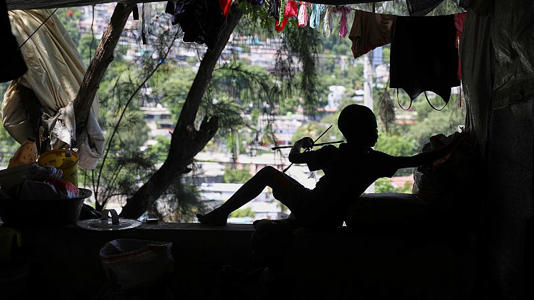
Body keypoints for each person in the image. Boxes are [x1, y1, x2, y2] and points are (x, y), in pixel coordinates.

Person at [197, 104, 462, 228]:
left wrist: (300, 143)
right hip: (331, 220)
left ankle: (222, 214)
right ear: (362, 132)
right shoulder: (375, 161)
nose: (377, 132)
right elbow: (415, 160)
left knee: (267, 174)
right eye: (373, 127)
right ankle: (282, 226)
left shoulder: (332, 153)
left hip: (309, 208)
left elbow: (293, 158)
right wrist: (452, 147)